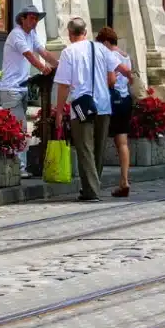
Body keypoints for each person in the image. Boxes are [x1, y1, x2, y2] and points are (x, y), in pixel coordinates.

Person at [54, 17, 116, 201]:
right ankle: (92, 186)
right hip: (103, 105)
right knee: (98, 147)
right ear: (86, 32)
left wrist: (59, 111)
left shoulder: (69, 52)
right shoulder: (102, 49)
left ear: (70, 34)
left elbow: (64, 85)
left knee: (85, 147)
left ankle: (91, 190)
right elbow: (112, 79)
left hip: (82, 106)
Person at [0, 6, 57, 177]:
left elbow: (43, 52)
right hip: (11, 88)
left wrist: (60, 65)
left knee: (19, 128)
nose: (34, 21)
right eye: (31, 18)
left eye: (36, 19)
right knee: (18, 127)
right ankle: (19, 166)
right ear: (22, 19)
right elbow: (30, 55)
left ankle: (15, 163)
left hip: (22, 87)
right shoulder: (16, 34)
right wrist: (43, 68)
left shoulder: (32, 35)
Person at [96, 27, 134, 198]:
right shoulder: (126, 56)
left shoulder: (109, 55)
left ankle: (94, 181)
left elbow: (110, 80)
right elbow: (128, 77)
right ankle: (124, 180)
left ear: (105, 42)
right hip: (125, 100)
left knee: (100, 140)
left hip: (111, 101)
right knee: (123, 143)